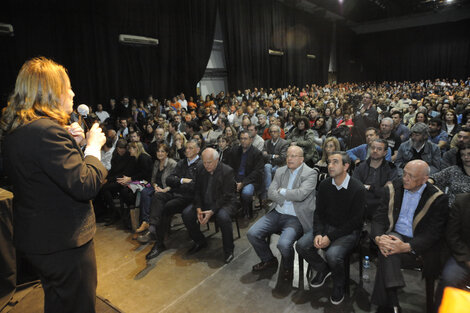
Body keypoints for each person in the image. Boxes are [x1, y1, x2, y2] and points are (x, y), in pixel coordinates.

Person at [0, 57, 107, 313]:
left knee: (59, 303)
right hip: (64, 244)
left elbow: (46, 174)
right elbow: (86, 184)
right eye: (67, 87)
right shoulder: (47, 132)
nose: (72, 92)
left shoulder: (19, 129)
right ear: (50, 92)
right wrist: (93, 147)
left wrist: (75, 147)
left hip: (40, 240)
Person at [370, 160, 449, 313]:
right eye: (404, 173)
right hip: (395, 234)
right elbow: (379, 218)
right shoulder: (394, 188)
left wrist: (407, 246)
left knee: (387, 252)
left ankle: (388, 303)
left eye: (411, 176)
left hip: (419, 243)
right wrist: (379, 238)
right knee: (388, 245)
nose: (405, 178)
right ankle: (393, 302)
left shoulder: (438, 198)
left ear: (424, 179)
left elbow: (433, 233)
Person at [296, 151, 366, 305]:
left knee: (333, 255)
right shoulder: (325, 185)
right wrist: (319, 233)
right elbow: (319, 213)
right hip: (327, 226)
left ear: (346, 166)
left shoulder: (358, 188)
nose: (330, 166)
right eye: (329, 162)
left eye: (335, 162)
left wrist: (330, 237)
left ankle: (339, 283)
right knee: (301, 245)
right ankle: (323, 269)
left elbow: (355, 222)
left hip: (348, 231)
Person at [247, 146, 317, 283]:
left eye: (294, 156)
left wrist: (283, 191)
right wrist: (283, 198)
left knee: (284, 244)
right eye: (288, 156)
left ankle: (288, 267)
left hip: (296, 217)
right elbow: (270, 192)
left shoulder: (310, 173)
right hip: (277, 212)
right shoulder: (280, 171)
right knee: (252, 233)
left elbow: (301, 195)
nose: (289, 158)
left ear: (302, 159)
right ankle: (269, 259)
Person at [141, 140, 201, 260]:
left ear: (198, 150)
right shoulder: (182, 163)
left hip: (191, 198)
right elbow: (169, 180)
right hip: (176, 193)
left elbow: (195, 185)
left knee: (166, 207)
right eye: (186, 148)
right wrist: (183, 180)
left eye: (190, 148)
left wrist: (178, 181)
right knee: (158, 196)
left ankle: (158, 240)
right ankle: (153, 228)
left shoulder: (200, 165)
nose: (187, 150)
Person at [182, 148, 238, 263]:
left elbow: (226, 196)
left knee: (223, 217)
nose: (206, 165)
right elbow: (197, 190)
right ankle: (200, 241)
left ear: (217, 160)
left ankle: (229, 249)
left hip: (224, 203)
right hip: (205, 202)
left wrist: (212, 211)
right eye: (204, 162)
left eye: (209, 162)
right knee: (187, 214)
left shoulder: (227, 171)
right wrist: (198, 208)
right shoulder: (200, 168)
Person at [435, 193, 470, 309]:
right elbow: (452, 235)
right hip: (463, 256)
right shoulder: (462, 201)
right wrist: (467, 259)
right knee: (449, 280)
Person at [135, 144, 177, 233]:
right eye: (158, 151)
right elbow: (153, 179)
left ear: (167, 153)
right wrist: (155, 186)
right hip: (156, 186)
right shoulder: (156, 163)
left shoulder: (172, 163)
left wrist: (163, 190)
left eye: (162, 151)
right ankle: (146, 221)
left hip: (168, 189)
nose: (160, 153)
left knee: (156, 196)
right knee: (144, 192)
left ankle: (154, 225)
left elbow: (175, 182)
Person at [353, 139, 397, 219]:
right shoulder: (360, 166)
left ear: (385, 152)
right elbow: (356, 187)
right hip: (361, 203)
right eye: (373, 148)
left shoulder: (391, 168)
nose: (375, 151)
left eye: (379, 149)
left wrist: (369, 187)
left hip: (381, 206)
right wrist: (378, 189)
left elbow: (387, 192)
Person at [226, 130, 264, 218]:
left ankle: (247, 209)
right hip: (235, 178)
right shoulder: (234, 150)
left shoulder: (257, 153)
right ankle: (232, 210)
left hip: (250, 180)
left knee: (246, 193)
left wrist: (243, 183)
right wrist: (233, 180)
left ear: (251, 140)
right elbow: (229, 167)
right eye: (241, 139)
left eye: (245, 139)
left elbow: (257, 172)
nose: (243, 141)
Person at [261, 125, 289, 202]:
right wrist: (273, 156)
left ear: (279, 133)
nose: (273, 133)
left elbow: (282, 158)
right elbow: (263, 155)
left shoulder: (284, 143)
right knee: (267, 167)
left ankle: (266, 194)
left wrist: (268, 156)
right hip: (269, 165)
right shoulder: (266, 143)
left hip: (280, 165)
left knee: (267, 169)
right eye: (271, 132)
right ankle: (269, 191)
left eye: (275, 131)